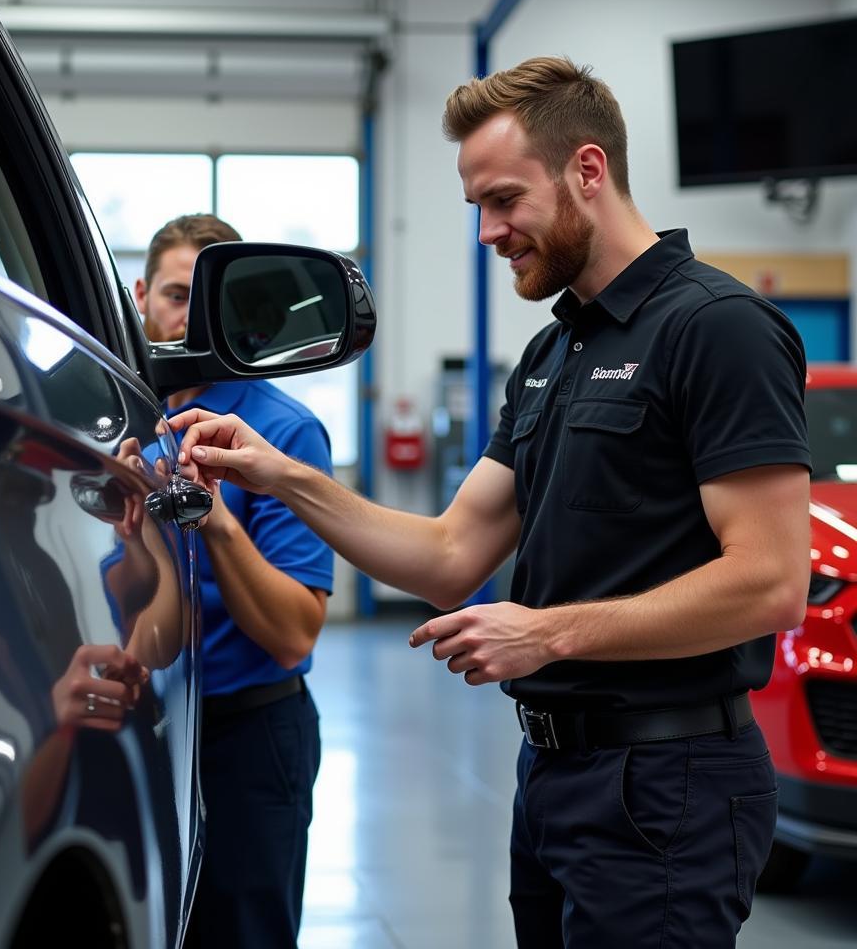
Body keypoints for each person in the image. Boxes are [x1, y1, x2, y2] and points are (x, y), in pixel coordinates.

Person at [171, 58, 812, 948]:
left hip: (670, 780)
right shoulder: (554, 354)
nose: (487, 231)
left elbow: (772, 581)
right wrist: (283, 475)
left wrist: (546, 632)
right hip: (553, 772)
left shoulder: (717, 328)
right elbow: (448, 555)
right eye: (477, 205)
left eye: (505, 200)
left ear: (589, 171)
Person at [135, 213, 334, 949]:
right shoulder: (118, 420)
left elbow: (291, 634)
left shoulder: (282, 434)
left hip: (245, 737)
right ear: (141, 297)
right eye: (177, 294)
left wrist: (215, 518)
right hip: (138, 728)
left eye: (209, 303)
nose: (189, 319)